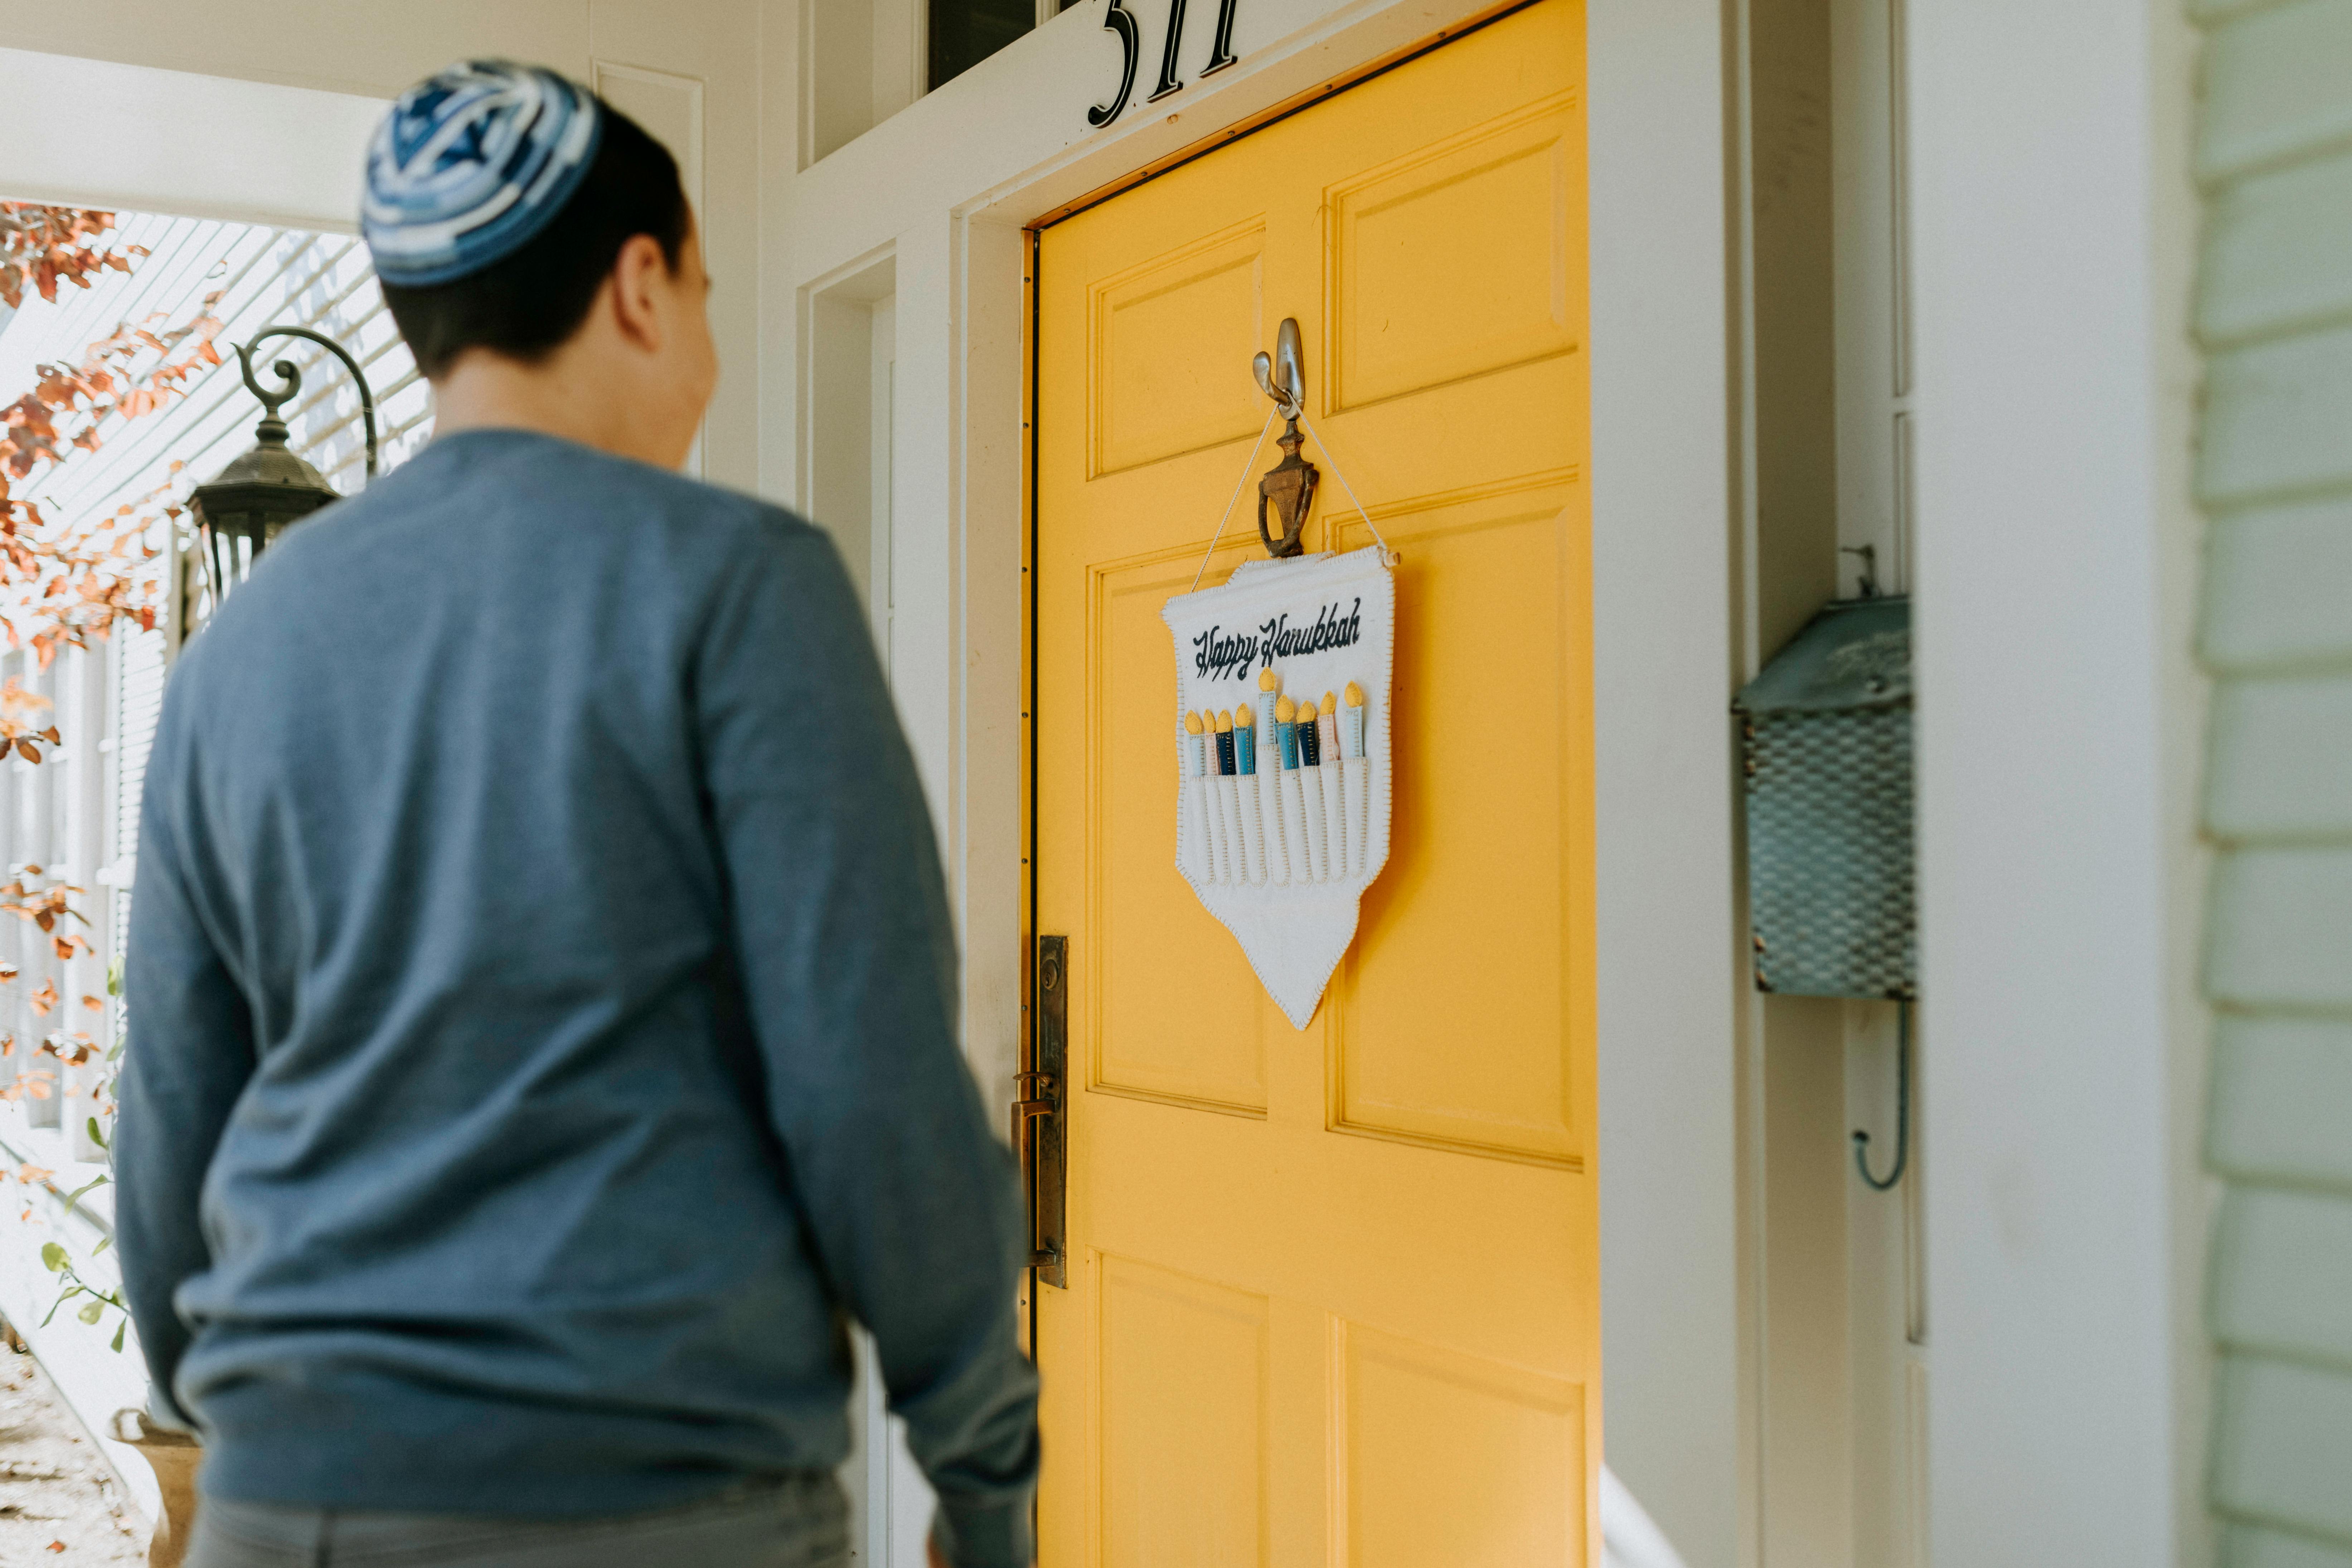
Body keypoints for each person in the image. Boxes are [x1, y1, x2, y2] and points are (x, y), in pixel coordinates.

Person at [114, 61, 1037, 1568]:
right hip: (660, 1502)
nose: (709, 353)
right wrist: (983, 1474)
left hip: (297, 1508)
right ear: (639, 287)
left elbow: (171, 1131)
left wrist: (255, 1432)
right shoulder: (740, 584)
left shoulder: (239, 650)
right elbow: (871, 1087)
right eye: (710, 293)